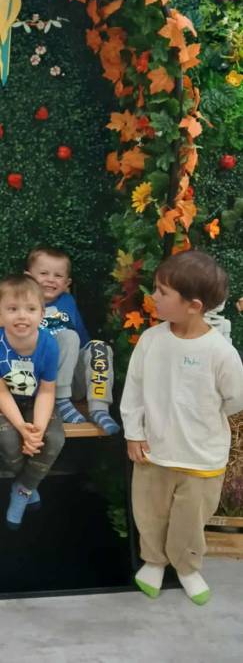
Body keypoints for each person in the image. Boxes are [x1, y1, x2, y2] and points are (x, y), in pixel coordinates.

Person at [120, 250, 243, 605]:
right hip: (154, 452)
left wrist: (200, 418)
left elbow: (235, 399)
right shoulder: (151, 340)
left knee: (190, 519)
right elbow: (134, 390)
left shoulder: (220, 352)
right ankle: (153, 561)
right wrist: (134, 432)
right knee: (150, 511)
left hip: (202, 457)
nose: (153, 297)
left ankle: (187, 568)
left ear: (193, 305)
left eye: (162, 292)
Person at [0, 274, 65, 528]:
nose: (22, 316)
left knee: (54, 438)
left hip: (37, 397)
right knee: (9, 440)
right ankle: (28, 484)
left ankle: (23, 488)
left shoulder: (49, 345)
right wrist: (21, 428)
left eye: (30, 309)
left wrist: (36, 432)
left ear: (42, 314)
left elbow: (47, 392)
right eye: (12, 309)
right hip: (1, 398)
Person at [26, 246, 120, 435]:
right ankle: (59, 400)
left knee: (99, 347)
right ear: (28, 277)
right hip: (39, 380)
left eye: (58, 275)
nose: (50, 279)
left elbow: (82, 345)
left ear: (67, 283)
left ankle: (99, 408)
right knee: (68, 336)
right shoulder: (22, 304)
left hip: (72, 382)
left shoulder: (67, 301)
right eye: (43, 273)